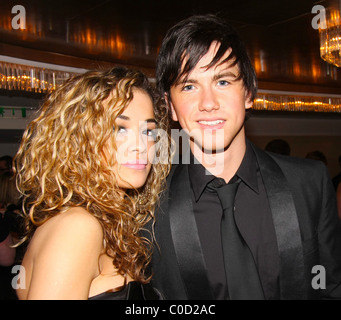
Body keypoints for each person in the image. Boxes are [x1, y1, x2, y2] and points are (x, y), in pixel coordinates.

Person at [150, 14, 341, 300]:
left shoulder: (309, 182)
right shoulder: (147, 204)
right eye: (189, 86)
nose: (208, 103)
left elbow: (330, 289)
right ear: (171, 107)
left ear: (249, 93)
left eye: (223, 82)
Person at [14, 67, 171, 300]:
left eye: (148, 131)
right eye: (120, 129)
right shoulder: (78, 226)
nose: (140, 145)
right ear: (80, 138)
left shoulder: (105, 221)